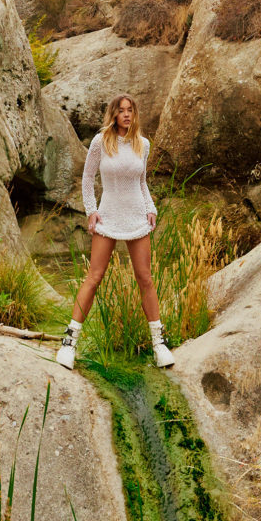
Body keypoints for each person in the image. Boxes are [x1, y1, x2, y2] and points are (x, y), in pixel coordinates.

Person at [56, 93, 174, 370]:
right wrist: (91, 210)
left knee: (145, 278)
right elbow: (87, 178)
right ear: (113, 114)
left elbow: (142, 182)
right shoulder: (101, 142)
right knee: (94, 277)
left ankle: (159, 345)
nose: (126, 114)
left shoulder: (142, 145)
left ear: (135, 114)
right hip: (107, 216)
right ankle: (69, 344)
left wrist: (151, 207)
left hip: (136, 215)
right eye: (121, 110)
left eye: (130, 110)